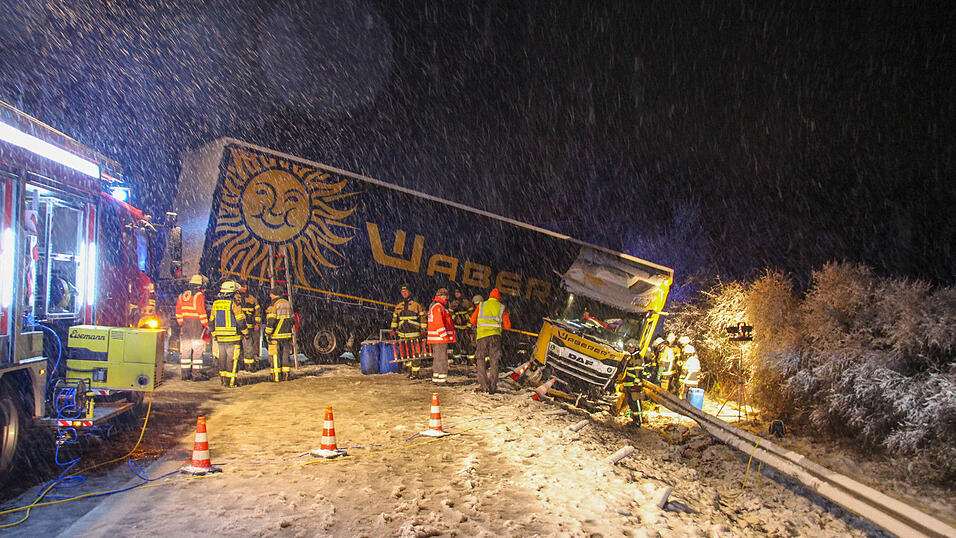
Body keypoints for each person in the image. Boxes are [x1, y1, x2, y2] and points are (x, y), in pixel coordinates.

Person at [470, 288, 511, 394]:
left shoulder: (482, 305)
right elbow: (508, 326)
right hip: (495, 337)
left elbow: (472, 320)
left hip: (482, 336)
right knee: (494, 361)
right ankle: (493, 386)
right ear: (499, 298)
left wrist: (480, 326)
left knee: (480, 359)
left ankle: (483, 385)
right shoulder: (502, 307)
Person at [210, 280, 248, 387]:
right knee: (232, 359)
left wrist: (214, 334)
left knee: (222, 358)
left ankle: (223, 380)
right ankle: (231, 381)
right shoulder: (234, 304)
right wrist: (246, 333)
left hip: (221, 338)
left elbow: (212, 321)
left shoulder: (216, 304)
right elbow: (240, 321)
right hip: (233, 337)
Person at [175, 274, 208, 381]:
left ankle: (185, 373)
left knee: (185, 348)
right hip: (196, 324)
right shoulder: (198, 296)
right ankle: (196, 374)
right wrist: (206, 325)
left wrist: (181, 323)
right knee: (198, 348)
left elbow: (178, 312)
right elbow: (201, 312)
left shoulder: (182, 295)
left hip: (185, 325)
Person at [391, 284, 426, 378]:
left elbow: (423, 318)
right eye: (402, 292)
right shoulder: (398, 306)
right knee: (406, 354)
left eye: (406, 291)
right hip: (403, 334)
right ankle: (410, 371)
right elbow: (395, 319)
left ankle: (415, 373)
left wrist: (423, 330)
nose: (404, 293)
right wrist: (393, 330)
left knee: (416, 353)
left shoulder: (416, 305)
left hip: (415, 334)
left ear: (410, 292)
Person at [264, 286, 295, 382]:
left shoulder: (274, 305)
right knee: (285, 355)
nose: (270, 296)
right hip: (286, 334)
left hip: (276, 335)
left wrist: (267, 333)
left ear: (273, 294)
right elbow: (292, 319)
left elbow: (271, 321)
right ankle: (286, 374)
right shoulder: (287, 303)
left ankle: (276, 376)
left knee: (275, 355)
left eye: (271, 294)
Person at [426, 287, 456, 385]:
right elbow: (439, 323)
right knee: (442, 359)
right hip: (440, 338)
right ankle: (442, 380)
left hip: (436, 338)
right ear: (441, 296)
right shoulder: (439, 307)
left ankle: (436, 378)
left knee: (437, 358)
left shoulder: (435, 306)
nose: (446, 298)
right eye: (445, 296)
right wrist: (445, 336)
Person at [236, 280, 262, 372]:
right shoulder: (235, 299)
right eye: (243, 287)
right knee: (238, 347)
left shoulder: (252, 299)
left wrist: (257, 324)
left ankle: (249, 366)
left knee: (249, 347)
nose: (245, 288)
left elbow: (257, 313)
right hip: (237, 328)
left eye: (246, 286)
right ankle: (239, 365)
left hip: (249, 327)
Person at [448, 288, 474, 363]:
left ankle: (470, 360)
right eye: (456, 293)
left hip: (465, 327)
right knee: (456, 345)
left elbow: (471, 315)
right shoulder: (453, 303)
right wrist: (455, 318)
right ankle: (457, 360)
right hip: (457, 328)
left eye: (458, 293)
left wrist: (468, 325)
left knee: (468, 345)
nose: (457, 294)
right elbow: (450, 313)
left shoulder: (467, 303)